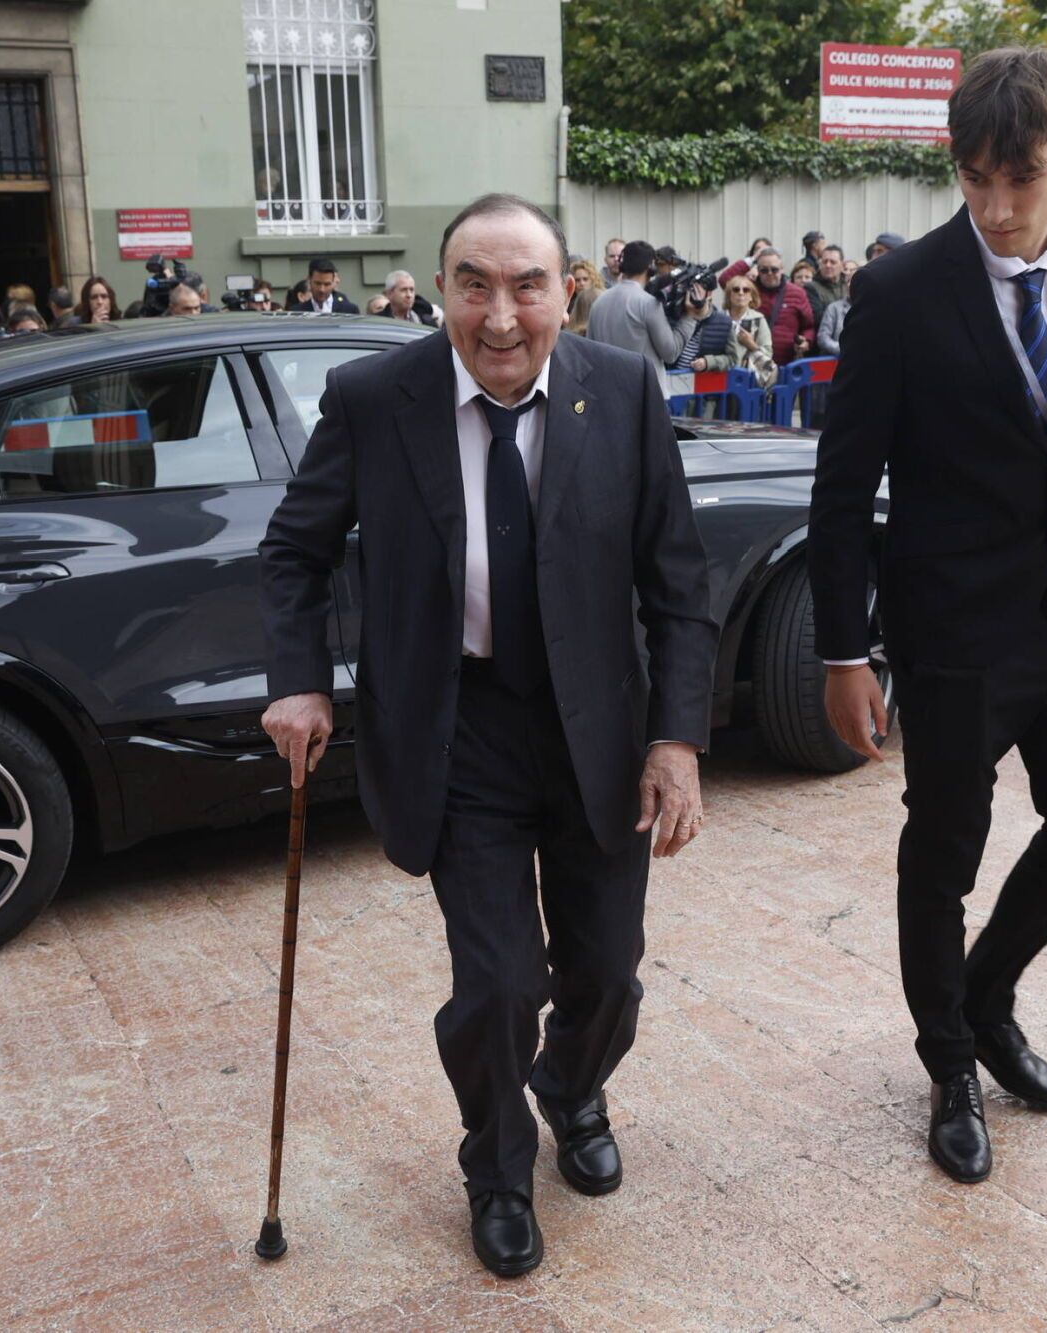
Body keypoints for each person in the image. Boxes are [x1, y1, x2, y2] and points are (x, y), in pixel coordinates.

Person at [258, 192, 717, 1278]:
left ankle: (568, 1087)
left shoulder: (621, 391)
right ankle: (498, 1164)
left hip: (594, 729)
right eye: (474, 283)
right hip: (455, 728)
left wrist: (677, 739)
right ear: (438, 289)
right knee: (501, 982)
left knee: (606, 973)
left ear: (567, 291)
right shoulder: (377, 397)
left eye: (526, 285)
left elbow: (678, 580)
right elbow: (293, 553)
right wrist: (298, 682)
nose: (500, 314)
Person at [809, 45, 1047, 1189]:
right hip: (951, 631)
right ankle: (947, 1064)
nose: (992, 205)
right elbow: (841, 492)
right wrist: (843, 651)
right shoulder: (895, 292)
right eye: (971, 178)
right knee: (942, 856)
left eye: (1018, 178)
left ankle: (981, 999)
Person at [586, 239, 682, 393]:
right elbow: (670, 353)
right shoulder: (649, 304)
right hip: (645, 396)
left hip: (607, 393)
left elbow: (589, 352)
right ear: (650, 268)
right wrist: (689, 319)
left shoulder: (599, 302)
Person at [667, 275, 733, 374]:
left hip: (702, 384)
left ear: (709, 294)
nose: (691, 294)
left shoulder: (724, 322)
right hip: (669, 380)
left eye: (696, 290)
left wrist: (708, 362)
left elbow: (732, 359)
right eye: (689, 289)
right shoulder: (672, 316)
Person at [720, 274, 777, 387]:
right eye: (736, 289)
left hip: (749, 381)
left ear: (751, 296)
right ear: (729, 296)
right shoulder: (719, 319)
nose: (741, 293)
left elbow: (768, 354)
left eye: (746, 290)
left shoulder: (759, 320)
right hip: (722, 378)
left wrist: (751, 344)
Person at [565, 257, 602, 336]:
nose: (582, 283)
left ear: (593, 279)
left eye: (585, 279)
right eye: (577, 280)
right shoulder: (567, 304)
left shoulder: (602, 299)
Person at [808, 244, 848, 316]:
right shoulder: (811, 288)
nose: (828, 265)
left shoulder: (848, 286)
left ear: (842, 265)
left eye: (833, 262)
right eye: (824, 261)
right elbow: (818, 317)